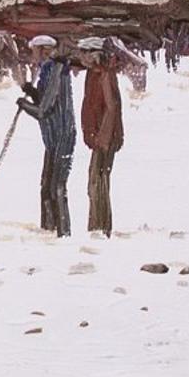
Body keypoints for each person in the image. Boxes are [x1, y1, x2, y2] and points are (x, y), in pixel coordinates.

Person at [18, 35, 75, 237]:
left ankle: (63, 233)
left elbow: (44, 109)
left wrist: (25, 106)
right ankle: (48, 230)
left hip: (62, 135)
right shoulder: (48, 70)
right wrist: (31, 92)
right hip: (52, 137)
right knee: (45, 186)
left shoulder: (55, 70)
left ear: (43, 50)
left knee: (57, 187)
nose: (32, 55)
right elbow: (45, 99)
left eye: (34, 50)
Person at [77, 36, 124, 236]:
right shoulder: (93, 74)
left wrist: (102, 138)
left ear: (95, 54)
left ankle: (100, 227)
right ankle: (98, 225)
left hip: (105, 138)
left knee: (98, 182)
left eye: (86, 53)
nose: (82, 57)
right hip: (98, 137)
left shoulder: (105, 75)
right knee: (96, 181)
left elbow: (112, 107)